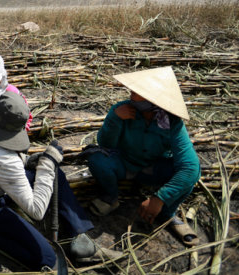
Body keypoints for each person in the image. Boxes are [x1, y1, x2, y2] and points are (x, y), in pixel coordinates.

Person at [0, 92, 117, 271]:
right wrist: (47, 164)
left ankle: (79, 236)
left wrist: (30, 162)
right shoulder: (6, 162)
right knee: (48, 259)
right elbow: (37, 210)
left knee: (56, 175)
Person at [85, 66, 201, 247]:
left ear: (154, 99)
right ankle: (111, 196)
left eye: (138, 91)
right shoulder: (122, 109)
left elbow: (190, 167)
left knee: (190, 175)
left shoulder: (172, 123)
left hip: (153, 169)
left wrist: (160, 198)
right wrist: (115, 118)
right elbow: (106, 144)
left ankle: (168, 214)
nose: (131, 93)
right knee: (96, 159)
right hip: (124, 163)